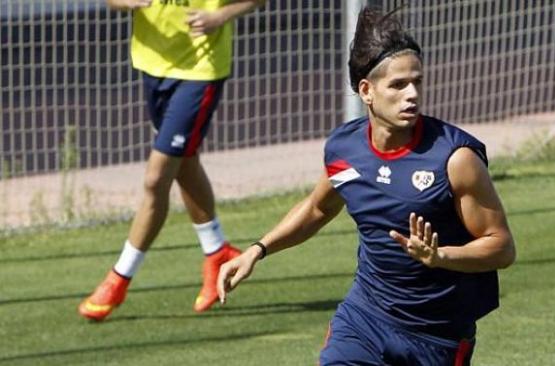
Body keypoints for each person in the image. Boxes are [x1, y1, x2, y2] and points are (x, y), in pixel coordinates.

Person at [217, 6, 516, 365]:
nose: (412, 95)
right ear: (366, 91)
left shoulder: (454, 159)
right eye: (398, 84)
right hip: (365, 319)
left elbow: (501, 248)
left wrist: (440, 257)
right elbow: (318, 208)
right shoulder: (346, 152)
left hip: (438, 334)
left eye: (417, 81)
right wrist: (257, 250)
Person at [78, 0, 267, 321]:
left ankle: (118, 279)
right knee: (183, 160)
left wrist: (219, 16)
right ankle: (217, 250)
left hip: (199, 70)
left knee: (157, 177)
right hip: (152, 65)